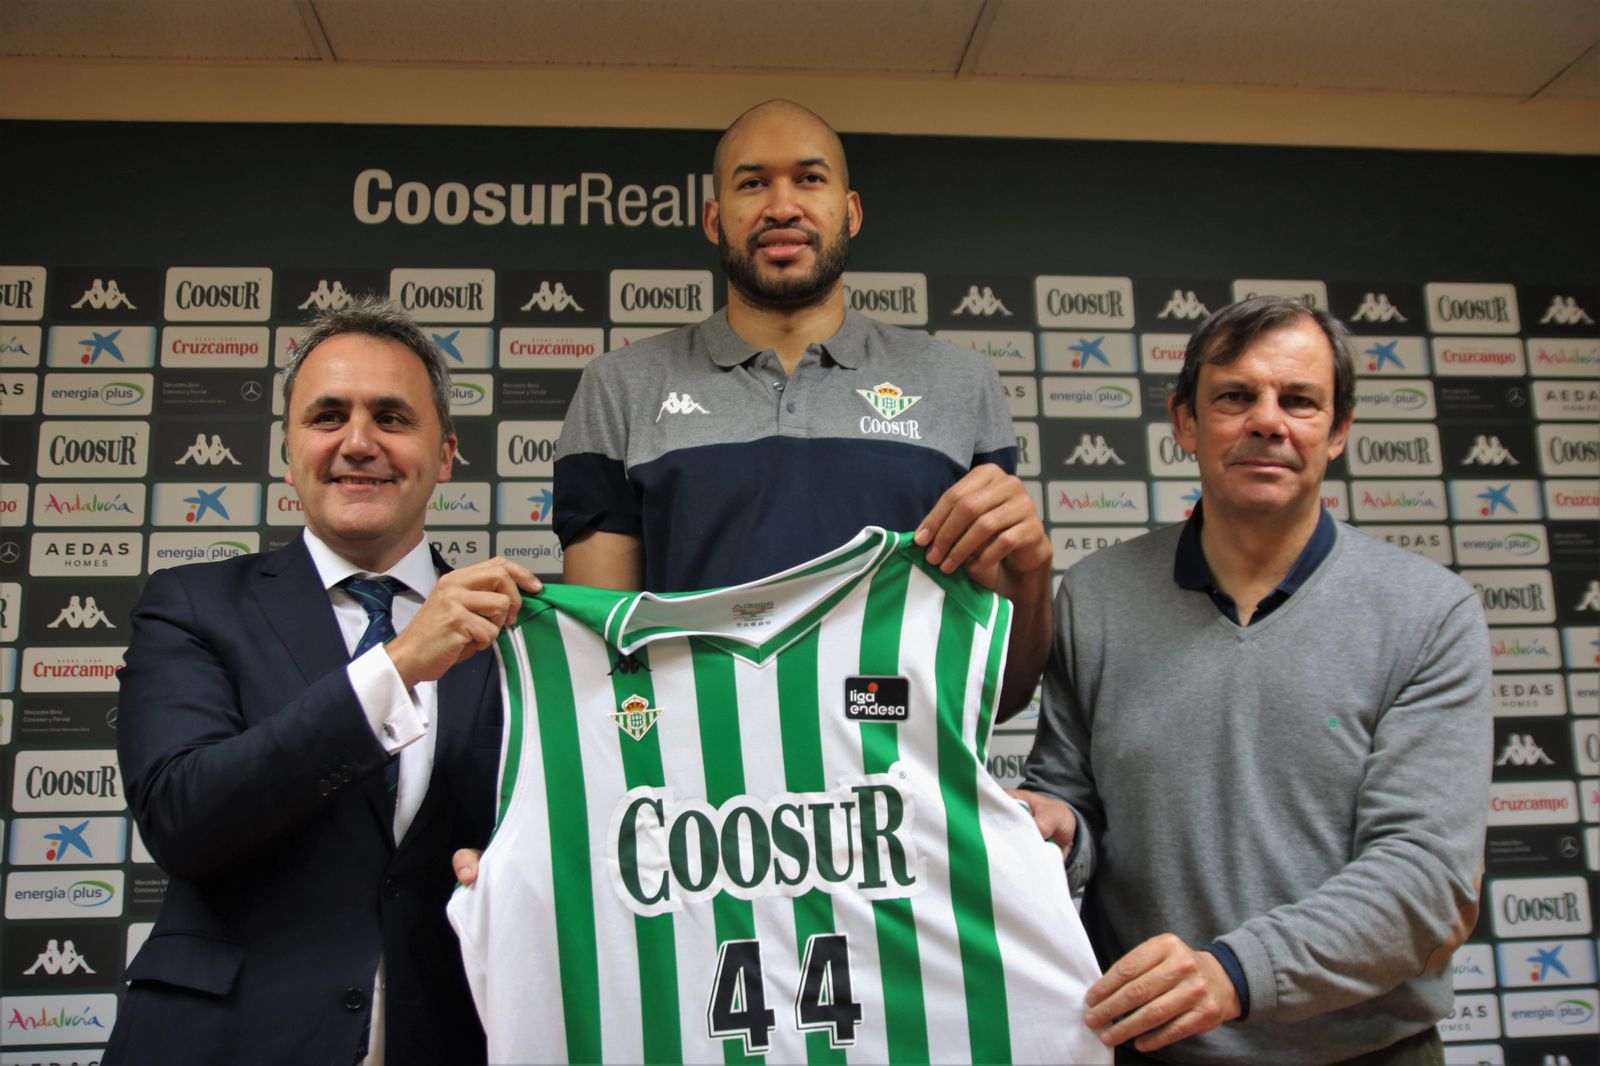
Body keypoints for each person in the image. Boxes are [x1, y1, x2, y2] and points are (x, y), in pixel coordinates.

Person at [1016, 296, 1491, 1065]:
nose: (1268, 421)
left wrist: (1236, 973)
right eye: (1236, 397)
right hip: (1152, 1046)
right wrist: (1054, 829)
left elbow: (1426, 881)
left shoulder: (1429, 614)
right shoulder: (1097, 596)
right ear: (1185, 422)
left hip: (1366, 1052)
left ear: (1337, 431)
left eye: (1299, 401)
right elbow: (1076, 805)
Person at [108, 298, 539, 1066]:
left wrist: (508, 866)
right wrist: (399, 663)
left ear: (444, 454)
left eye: (393, 418)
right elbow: (183, 816)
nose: (359, 442)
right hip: (224, 1043)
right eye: (328, 416)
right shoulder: (191, 605)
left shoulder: (525, 634)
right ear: (289, 450)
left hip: (451, 1036)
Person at [552, 98, 1052, 716]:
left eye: (810, 179)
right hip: (704, 787)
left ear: (852, 211)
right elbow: (600, 664)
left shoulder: (961, 382)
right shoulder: (619, 385)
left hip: (899, 784)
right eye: (753, 182)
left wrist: (1032, 576)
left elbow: (1000, 692)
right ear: (714, 218)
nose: (782, 206)